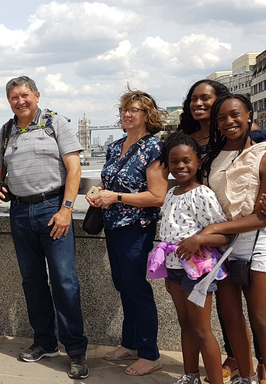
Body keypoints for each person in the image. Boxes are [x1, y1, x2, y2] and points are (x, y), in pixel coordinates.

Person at [179, 79, 266, 383]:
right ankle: (245, 377)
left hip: (253, 244)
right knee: (231, 316)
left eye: (235, 115)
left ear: (249, 115)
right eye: (222, 118)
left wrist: (210, 229)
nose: (229, 122)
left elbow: (260, 218)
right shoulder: (211, 156)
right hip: (221, 247)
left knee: (262, 319)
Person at [0, 76, 89, 380]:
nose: (20, 101)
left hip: (52, 209)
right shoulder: (5, 131)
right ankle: (44, 342)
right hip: (19, 212)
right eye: (14, 97)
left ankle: (76, 350)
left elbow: (74, 169)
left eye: (25, 95)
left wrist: (66, 210)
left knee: (64, 281)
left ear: (36, 95)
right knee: (32, 281)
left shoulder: (56, 123)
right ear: (9, 102)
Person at [85, 88, 166, 377]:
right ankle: (130, 342)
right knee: (123, 283)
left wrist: (115, 198)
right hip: (113, 225)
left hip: (136, 228)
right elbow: (112, 183)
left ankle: (150, 353)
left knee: (136, 287)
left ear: (148, 115)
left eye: (134, 110)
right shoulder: (114, 145)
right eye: (124, 110)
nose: (127, 114)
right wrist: (100, 196)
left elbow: (157, 196)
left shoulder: (153, 148)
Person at [154, 132, 230, 384]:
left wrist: (198, 239)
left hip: (197, 273)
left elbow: (222, 235)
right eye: (174, 162)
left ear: (198, 162)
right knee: (185, 324)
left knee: (201, 329)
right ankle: (190, 375)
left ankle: (216, 380)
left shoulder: (203, 194)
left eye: (186, 161)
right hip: (174, 270)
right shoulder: (171, 193)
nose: (181, 166)